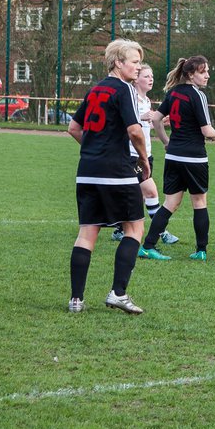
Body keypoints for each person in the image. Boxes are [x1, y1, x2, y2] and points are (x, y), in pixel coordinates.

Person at [67, 39, 151, 314]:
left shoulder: (94, 90)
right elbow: (135, 131)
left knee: (87, 234)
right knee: (135, 228)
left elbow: (73, 128)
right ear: (118, 62)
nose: (138, 67)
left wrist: (95, 150)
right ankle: (118, 293)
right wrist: (142, 159)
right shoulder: (124, 89)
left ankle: (76, 300)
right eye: (134, 61)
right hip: (116, 171)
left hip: (87, 172)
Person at [140, 56, 215, 262]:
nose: (207, 75)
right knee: (199, 202)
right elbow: (206, 130)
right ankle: (201, 250)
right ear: (190, 74)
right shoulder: (198, 95)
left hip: (174, 156)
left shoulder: (174, 92)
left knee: (170, 203)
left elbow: (157, 118)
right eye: (203, 72)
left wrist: (166, 142)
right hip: (194, 158)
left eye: (207, 71)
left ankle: (147, 246)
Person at [111, 63, 177, 246]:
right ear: (137, 78)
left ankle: (119, 229)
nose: (151, 79)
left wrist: (161, 120)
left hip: (146, 154)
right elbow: (121, 122)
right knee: (151, 191)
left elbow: (148, 121)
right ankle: (162, 232)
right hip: (132, 155)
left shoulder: (146, 101)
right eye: (147, 76)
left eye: (152, 76)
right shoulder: (129, 97)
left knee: (137, 196)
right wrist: (141, 118)